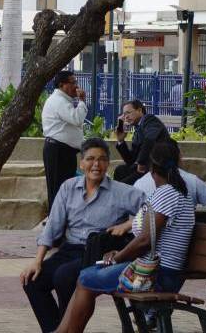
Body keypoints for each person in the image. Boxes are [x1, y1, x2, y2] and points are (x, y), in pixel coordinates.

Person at [55, 142, 195, 333]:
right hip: (157, 271)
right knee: (88, 276)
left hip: (157, 276)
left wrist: (117, 258)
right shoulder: (175, 192)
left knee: (86, 278)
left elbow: (145, 240)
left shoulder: (166, 194)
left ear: (152, 168)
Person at [21, 138, 144, 333]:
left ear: (108, 164)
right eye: (90, 159)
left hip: (98, 253)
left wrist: (129, 224)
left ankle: (67, 329)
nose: (96, 164)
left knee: (64, 276)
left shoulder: (121, 192)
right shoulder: (68, 187)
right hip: (70, 249)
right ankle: (56, 329)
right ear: (81, 163)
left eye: (102, 159)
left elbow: (152, 208)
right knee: (33, 280)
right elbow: (52, 226)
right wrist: (37, 261)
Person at [42, 71, 88, 208]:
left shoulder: (63, 100)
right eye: (73, 82)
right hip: (58, 151)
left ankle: (61, 220)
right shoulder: (58, 101)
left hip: (65, 151)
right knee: (58, 189)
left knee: (66, 189)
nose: (76, 86)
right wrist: (82, 102)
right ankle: (55, 221)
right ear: (62, 85)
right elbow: (76, 118)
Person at [113, 99, 170, 184]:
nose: (126, 117)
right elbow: (130, 161)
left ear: (139, 110)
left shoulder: (149, 120)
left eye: (128, 113)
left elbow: (150, 139)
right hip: (142, 169)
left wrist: (141, 162)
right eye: (124, 114)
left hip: (155, 168)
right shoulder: (137, 129)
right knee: (120, 170)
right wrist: (121, 140)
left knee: (121, 186)